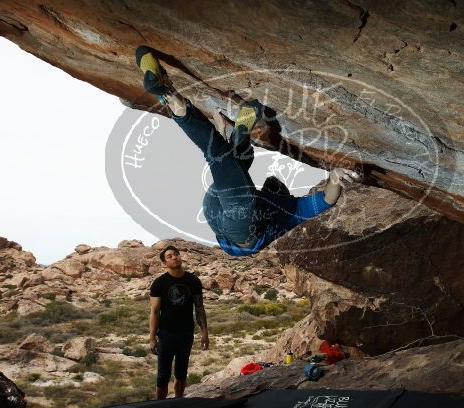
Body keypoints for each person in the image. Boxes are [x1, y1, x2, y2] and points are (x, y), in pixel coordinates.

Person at [135, 46, 359, 256]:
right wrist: (334, 178)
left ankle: (225, 123)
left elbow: (327, 201)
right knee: (232, 163)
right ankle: (182, 103)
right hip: (215, 208)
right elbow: (326, 200)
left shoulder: (289, 211)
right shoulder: (286, 209)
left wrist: (334, 177)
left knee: (223, 159)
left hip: (238, 222)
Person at [148, 245, 208, 399]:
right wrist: (152, 337)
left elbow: (199, 308)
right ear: (164, 263)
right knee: (163, 375)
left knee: (181, 373)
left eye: (176, 254)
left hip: (186, 334)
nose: (174, 257)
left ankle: (178, 402)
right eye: (169, 256)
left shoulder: (193, 280)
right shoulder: (159, 283)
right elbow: (154, 311)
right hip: (166, 334)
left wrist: (205, 333)